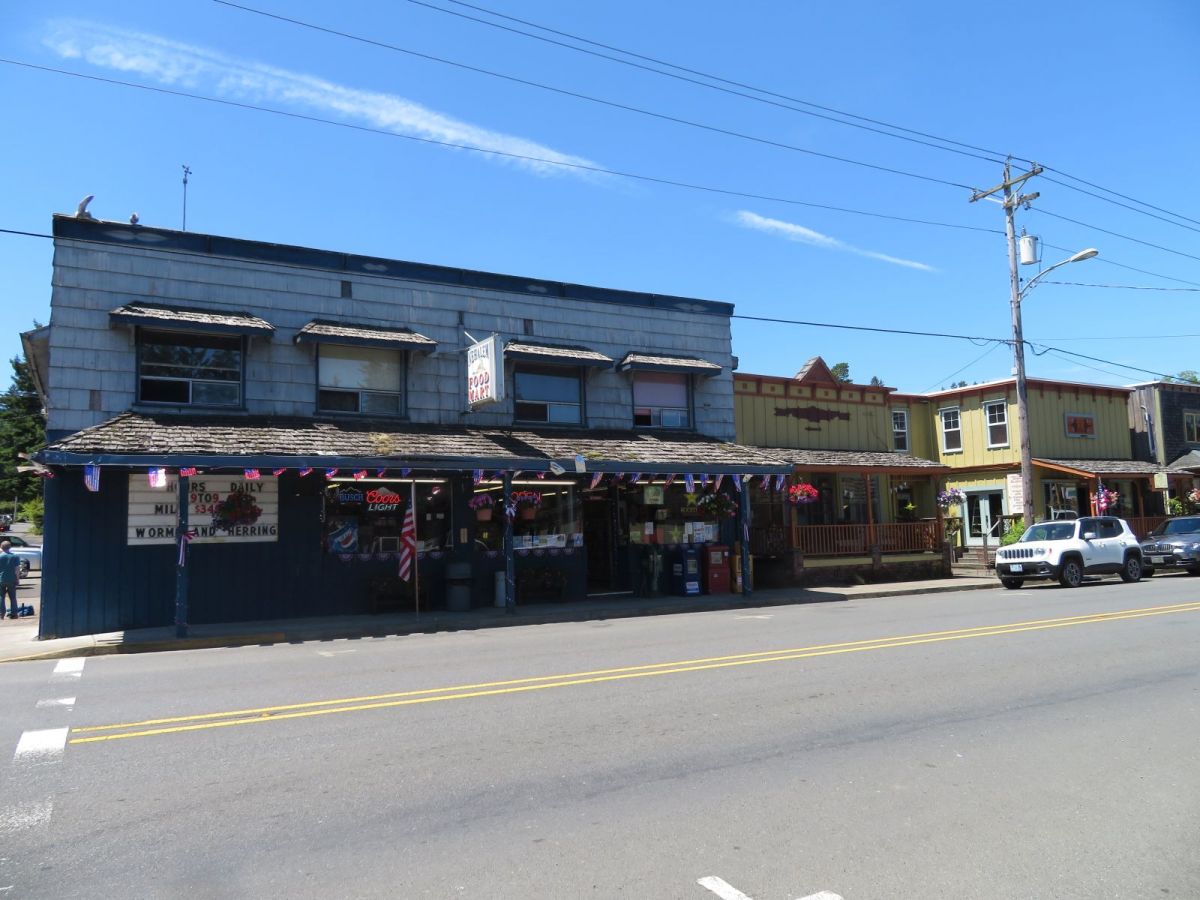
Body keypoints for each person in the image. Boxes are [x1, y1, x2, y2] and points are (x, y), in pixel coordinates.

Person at [0, 541, 20, 619]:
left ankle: (1, 614)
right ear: (10, 547)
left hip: (1, 579)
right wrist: (17, 579)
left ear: (1, 547)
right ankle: (14, 614)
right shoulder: (15, 556)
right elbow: (17, 570)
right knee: (13, 597)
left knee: (1, 596)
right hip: (12, 579)